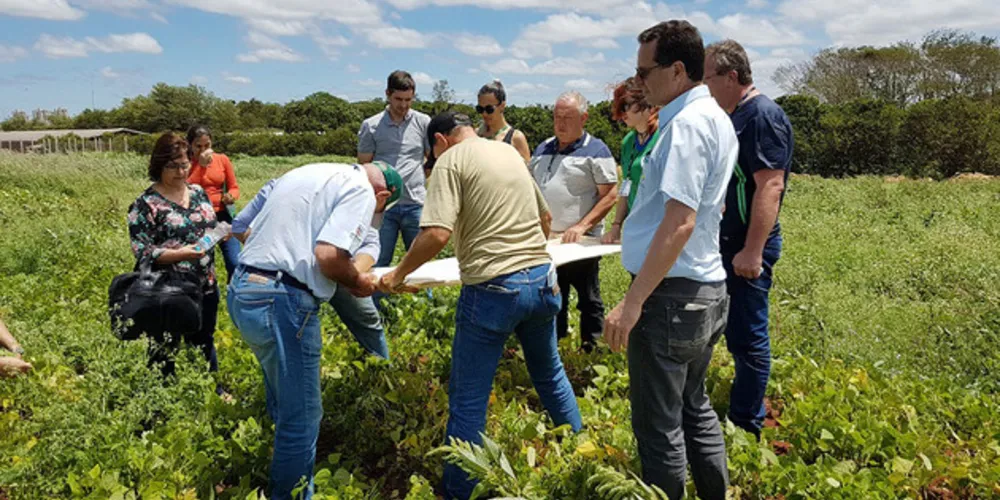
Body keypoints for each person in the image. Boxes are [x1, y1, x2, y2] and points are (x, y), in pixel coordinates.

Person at [379, 111, 581, 500]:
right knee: (549, 373)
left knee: (468, 396)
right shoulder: (507, 152)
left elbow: (437, 233)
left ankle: (459, 490)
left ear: (439, 140)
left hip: (492, 288)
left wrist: (397, 274)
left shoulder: (451, 161)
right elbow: (546, 218)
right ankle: (580, 452)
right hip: (541, 280)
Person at [603, 20, 738, 500]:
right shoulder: (716, 117)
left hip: (669, 298)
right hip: (703, 289)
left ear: (677, 70)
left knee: (658, 428)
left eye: (646, 71)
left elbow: (679, 221)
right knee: (693, 406)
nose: (638, 82)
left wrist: (633, 301)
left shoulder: (685, 125)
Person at [226, 161, 403, 500]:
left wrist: (280, 254)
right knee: (303, 417)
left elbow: (240, 224)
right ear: (382, 195)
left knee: (282, 395)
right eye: (379, 209)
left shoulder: (305, 173)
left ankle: (281, 462)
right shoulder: (362, 191)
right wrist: (356, 281)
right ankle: (290, 493)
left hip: (244, 289)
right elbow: (328, 255)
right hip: (283, 303)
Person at [704, 39, 793, 439]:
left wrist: (753, 250)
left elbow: (770, 186)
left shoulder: (762, 116)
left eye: (708, 78)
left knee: (750, 337)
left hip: (747, 246)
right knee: (733, 333)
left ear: (732, 77)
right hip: (729, 242)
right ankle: (743, 411)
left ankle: (747, 425)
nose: (704, 87)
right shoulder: (735, 115)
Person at [231, 177, 389, 360]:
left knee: (366, 321)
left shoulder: (347, 191)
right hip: (295, 278)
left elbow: (370, 243)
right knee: (300, 337)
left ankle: (380, 364)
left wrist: (352, 274)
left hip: (337, 271)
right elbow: (240, 226)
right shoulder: (279, 186)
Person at [127, 132, 222, 381]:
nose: (180, 172)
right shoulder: (146, 204)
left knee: (204, 338)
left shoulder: (199, 192)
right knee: (164, 345)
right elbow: (142, 250)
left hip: (205, 283)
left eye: (184, 165)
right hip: (167, 289)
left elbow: (210, 224)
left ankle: (212, 387)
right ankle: (163, 399)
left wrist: (222, 234)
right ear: (158, 166)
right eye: (173, 166)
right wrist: (180, 254)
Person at [528, 91, 618, 352]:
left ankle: (592, 347)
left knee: (588, 298)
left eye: (568, 117)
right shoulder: (543, 148)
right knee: (555, 295)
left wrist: (581, 226)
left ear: (584, 118)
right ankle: (555, 347)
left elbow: (610, 195)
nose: (560, 123)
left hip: (581, 243)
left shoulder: (597, 150)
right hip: (548, 241)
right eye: (557, 117)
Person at [358, 71, 431, 270]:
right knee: (378, 258)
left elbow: (431, 157)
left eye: (409, 100)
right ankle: (377, 300)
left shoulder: (423, 122)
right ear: (388, 94)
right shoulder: (371, 126)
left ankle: (425, 299)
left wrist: (418, 177)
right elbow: (365, 165)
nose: (404, 105)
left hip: (415, 202)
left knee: (420, 260)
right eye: (398, 99)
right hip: (384, 205)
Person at [603, 77, 662, 245]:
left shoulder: (665, 135)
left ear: (646, 102)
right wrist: (616, 225)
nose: (622, 113)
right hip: (637, 229)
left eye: (626, 106)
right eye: (620, 107)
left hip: (660, 229)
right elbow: (626, 186)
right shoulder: (628, 142)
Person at [186, 125, 241, 282]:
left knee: (235, 261)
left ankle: (234, 295)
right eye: (198, 146)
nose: (203, 150)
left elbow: (234, 187)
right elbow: (183, 187)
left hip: (222, 216)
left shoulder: (222, 159)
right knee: (202, 263)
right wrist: (199, 166)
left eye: (207, 145)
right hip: (196, 218)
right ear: (190, 145)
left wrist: (231, 196)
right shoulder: (186, 163)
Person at [476, 80, 531, 164]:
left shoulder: (516, 138)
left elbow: (526, 172)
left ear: (502, 106)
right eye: (480, 109)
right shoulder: (476, 134)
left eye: (489, 109)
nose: (484, 114)